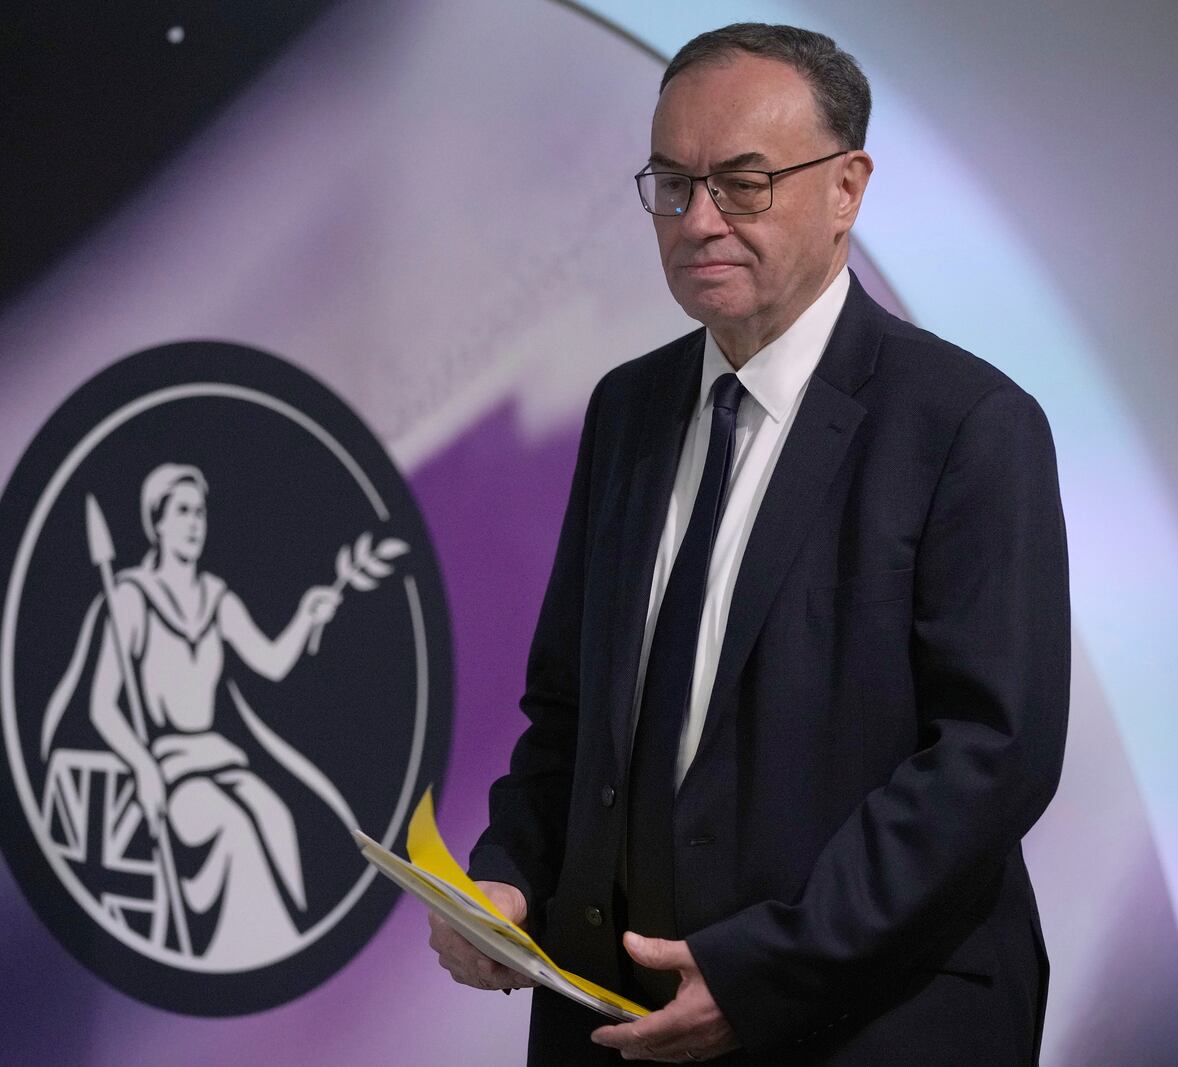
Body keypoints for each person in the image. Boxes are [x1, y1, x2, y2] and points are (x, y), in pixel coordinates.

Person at [427, 23, 1068, 1066]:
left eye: (743, 182)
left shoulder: (966, 423)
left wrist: (770, 966)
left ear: (848, 189)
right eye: (672, 183)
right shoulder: (626, 409)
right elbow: (570, 713)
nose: (698, 219)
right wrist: (509, 872)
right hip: (615, 1016)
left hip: (866, 1020)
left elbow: (989, 758)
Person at [44, 463, 342, 967]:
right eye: (182, 511)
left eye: (200, 512)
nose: (194, 522)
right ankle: (246, 958)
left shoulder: (215, 596)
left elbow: (268, 663)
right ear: (156, 523)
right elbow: (101, 706)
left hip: (220, 758)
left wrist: (305, 619)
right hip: (170, 770)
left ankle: (281, 956)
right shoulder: (132, 599)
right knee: (234, 829)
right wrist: (141, 767)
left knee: (275, 816)